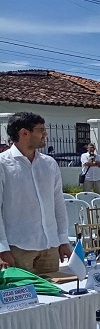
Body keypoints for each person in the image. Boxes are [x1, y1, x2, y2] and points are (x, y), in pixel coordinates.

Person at [0, 112, 71, 274]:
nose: (45, 134)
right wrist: (2, 249)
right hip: (17, 248)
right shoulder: (3, 164)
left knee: (57, 296)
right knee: (24, 297)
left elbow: (58, 204)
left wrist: (62, 240)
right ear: (24, 133)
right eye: (40, 130)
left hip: (50, 247)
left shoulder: (49, 163)